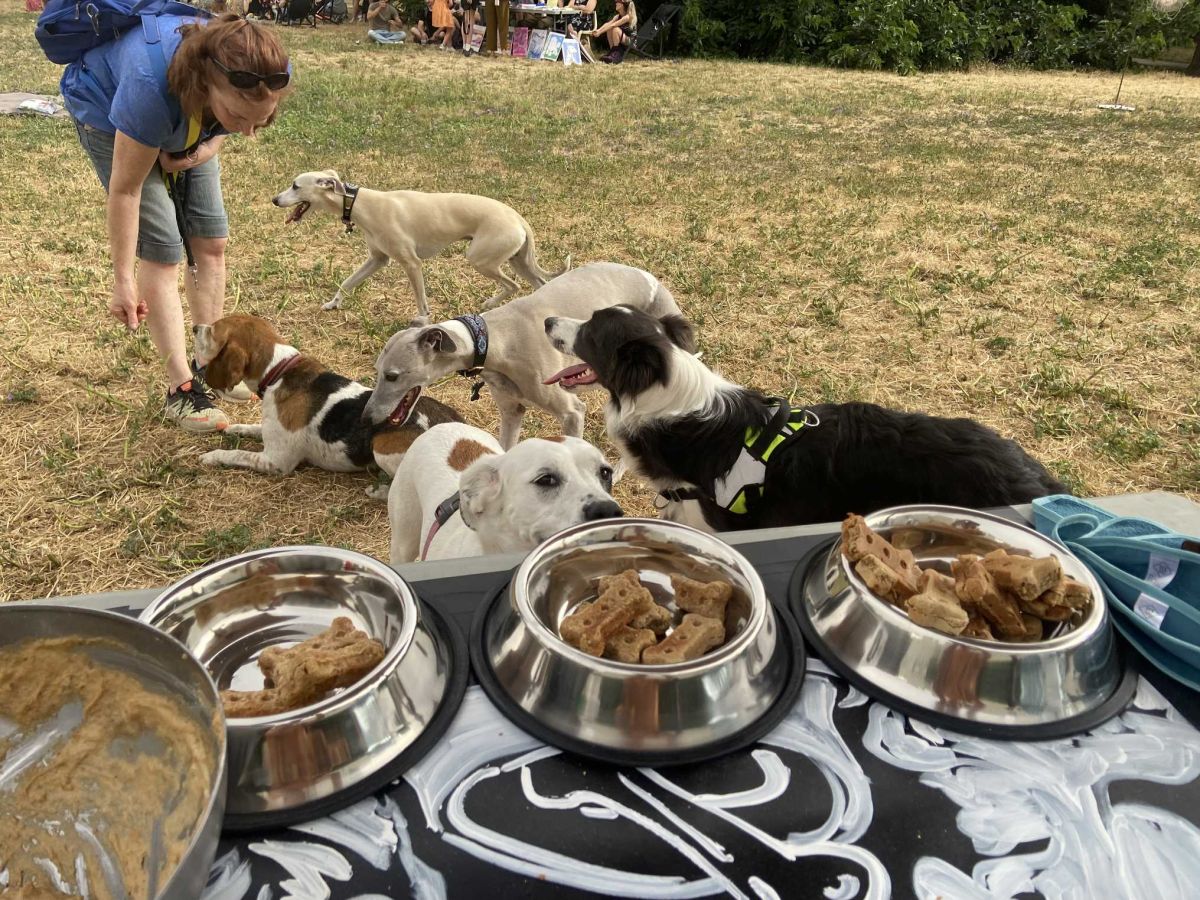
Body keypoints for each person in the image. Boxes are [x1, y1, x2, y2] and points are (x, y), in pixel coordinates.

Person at [61, 14, 291, 432]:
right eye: (238, 116)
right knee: (163, 249)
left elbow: (225, 128)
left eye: (261, 120)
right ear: (207, 84)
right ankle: (181, 388)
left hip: (189, 119)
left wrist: (196, 152)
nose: (249, 133)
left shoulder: (264, 73)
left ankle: (210, 361)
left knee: (211, 240)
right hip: (108, 112)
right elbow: (126, 191)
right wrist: (122, 279)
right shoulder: (150, 88)